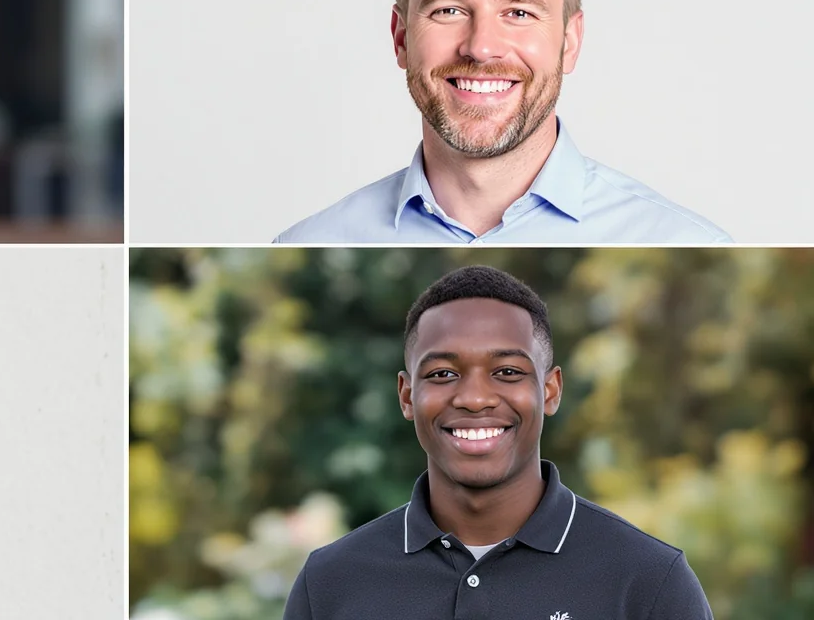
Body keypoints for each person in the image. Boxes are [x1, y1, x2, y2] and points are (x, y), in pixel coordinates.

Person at [275, 0, 728, 244]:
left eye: (519, 12)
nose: (482, 47)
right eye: (448, 10)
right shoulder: (308, 242)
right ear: (401, 37)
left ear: (569, 42)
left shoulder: (684, 240)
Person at [283, 265, 712, 619]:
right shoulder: (329, 583)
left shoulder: (649, 581)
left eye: (507, 371)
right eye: (442, 374)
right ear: (407, 396)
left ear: (550, 390)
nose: (474, 398)